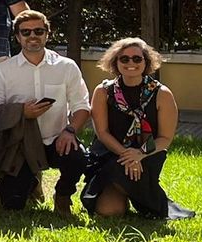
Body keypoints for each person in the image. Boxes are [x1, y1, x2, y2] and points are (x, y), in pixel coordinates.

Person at [0, 10, 92, 213]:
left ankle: (62, 194)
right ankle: (31, 183)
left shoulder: (66, 67)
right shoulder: (4, 70)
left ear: (47, 34)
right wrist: (21, 112)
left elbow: (82, 105)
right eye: (26, 32)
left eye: (38, 31)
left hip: (57, 139)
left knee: (78, 158)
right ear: (17, 37)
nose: (32, 36)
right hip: (21, 145)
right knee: (9, 205)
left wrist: (70, 131)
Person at [83, 38, 194, 220]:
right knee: (109, 211)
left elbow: (165, 138)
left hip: (147, 157)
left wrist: (139, 154)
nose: (130, 63)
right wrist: (128, 155)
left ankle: (145, 197)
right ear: (115, 62)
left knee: (131, 183)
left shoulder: (162, 94)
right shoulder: (103, 92)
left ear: (146, 62)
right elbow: (102, 133)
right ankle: (122, 193)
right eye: (124, 59)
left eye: (137, 59)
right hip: (111, 155)